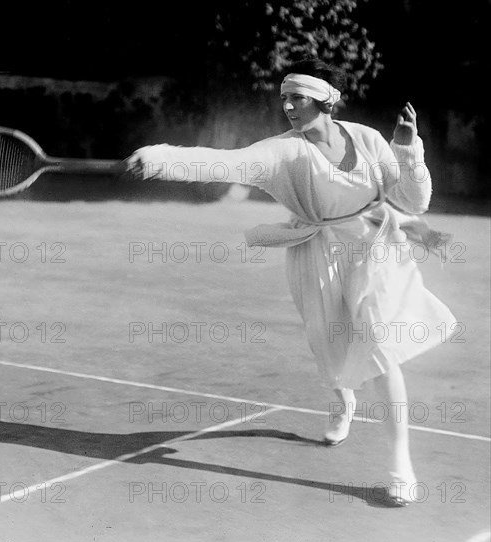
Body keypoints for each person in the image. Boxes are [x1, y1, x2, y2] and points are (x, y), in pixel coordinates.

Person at [125, 58, 456, 506]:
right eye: (284, 98)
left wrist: (406, 147)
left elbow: (414, 202)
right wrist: (161, 159)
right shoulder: (284, 151)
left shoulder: (369, 139)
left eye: (296, 97)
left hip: (376, 250)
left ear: (326, 100)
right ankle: (344, 403)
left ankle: (402, 467)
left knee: (380, 346)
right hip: (316, 253)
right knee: (331, 347)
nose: (287, 106)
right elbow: (225, 163)